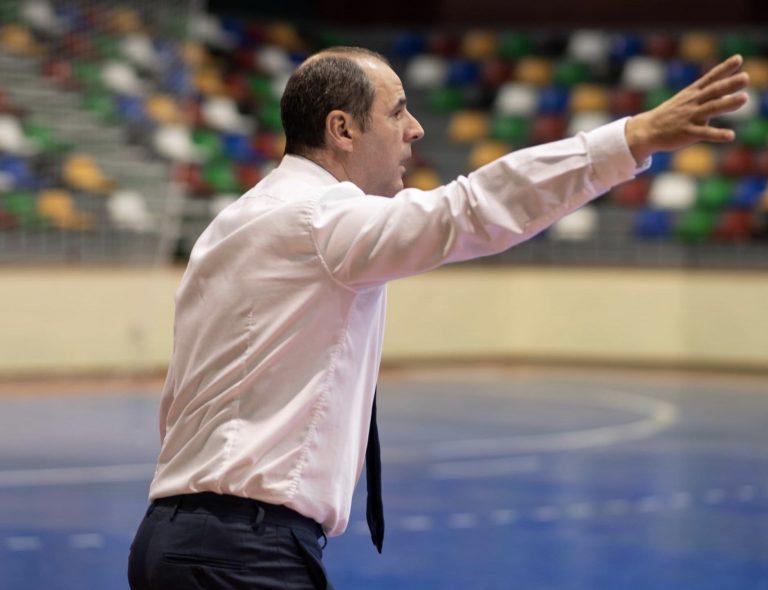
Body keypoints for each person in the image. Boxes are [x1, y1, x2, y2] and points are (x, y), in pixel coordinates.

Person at [128, 46, 748, 589]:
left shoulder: (235, 223)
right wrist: (630, 139)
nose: (417, 130)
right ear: (342, 129)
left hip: (178, 540)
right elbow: (471, 211)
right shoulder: (322, 219)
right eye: (397, 112)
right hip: (240, 553)